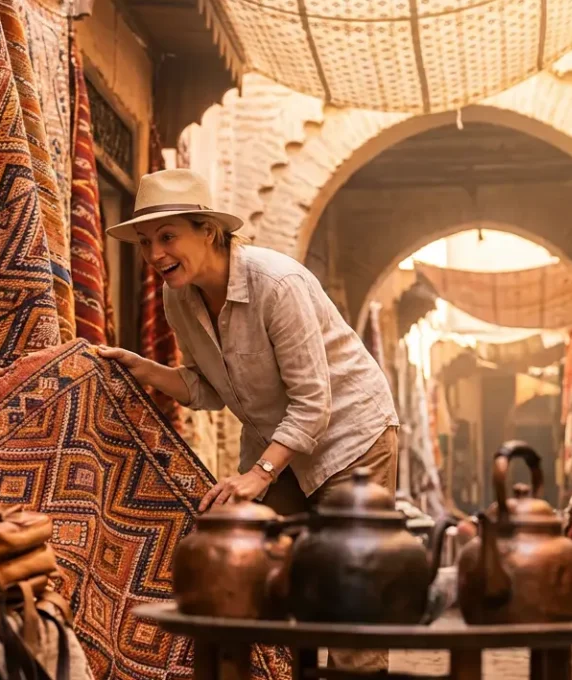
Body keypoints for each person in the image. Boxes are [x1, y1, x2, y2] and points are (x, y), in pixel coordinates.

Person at [97, 168, 399, 672]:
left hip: (352, 440)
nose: (155, 256)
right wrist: (140, 367)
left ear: (209, 231)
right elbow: (206, 388)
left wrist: (257, 476)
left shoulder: (276, 283)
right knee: (258, 572)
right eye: (147, 242)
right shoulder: (179, 296)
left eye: (168, 237)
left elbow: (313, 404)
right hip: (278, 444)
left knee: (353, 589)